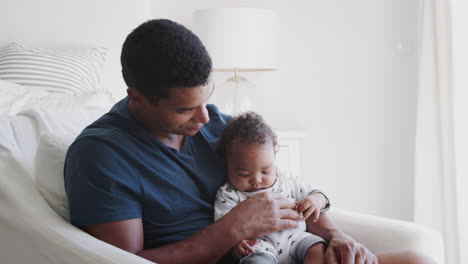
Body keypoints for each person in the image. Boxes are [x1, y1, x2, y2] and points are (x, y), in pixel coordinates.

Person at [64, 19, 435, 264]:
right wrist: (232, 229)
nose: (206, 119)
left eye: (206, 100)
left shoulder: (217, 127)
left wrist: (336, 236)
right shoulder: (101, 156)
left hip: (285, 251)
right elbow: (124, 260)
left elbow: (285, 194)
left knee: (421, 260)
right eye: (185, 110)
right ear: (138, 97)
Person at [215, 112, 330, 264]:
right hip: (259, 246)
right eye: (244, 174)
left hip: (296, 238)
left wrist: (316, 200)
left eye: (265, 171)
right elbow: (224, 231)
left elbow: (317, 193)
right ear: (227, 166)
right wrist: (236, 245)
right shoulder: (228, 194)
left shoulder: (286, 180)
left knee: (318, 248)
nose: (256, 180)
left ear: (274, 158)